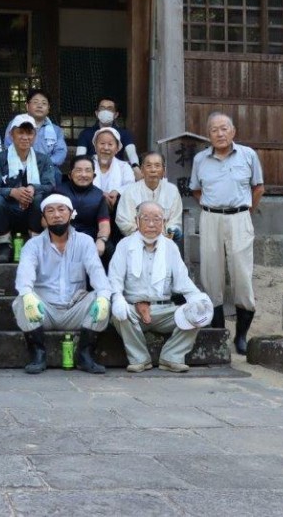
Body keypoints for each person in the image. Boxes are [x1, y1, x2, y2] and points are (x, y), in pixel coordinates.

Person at [189, 111, 265, 354]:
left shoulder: (248, 155)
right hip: (210, 218)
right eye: (214, 129)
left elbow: (258, 187)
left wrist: (245, 210)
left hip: (240, 218)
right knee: (211, 274)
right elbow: (196, 190)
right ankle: (219, 332)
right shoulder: (200, 159)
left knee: (242, 274)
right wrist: (212, 207)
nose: (219, 133)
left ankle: (241, 336)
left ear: (233, 131)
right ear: (208, 134)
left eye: (224, 128)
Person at [108, 201, 213, 373]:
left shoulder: (170, 247)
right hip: (134, 309)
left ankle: (171, 356)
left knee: (197, 314)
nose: (151, 224)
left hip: (164, 310)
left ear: (163, 222)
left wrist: (198, 299)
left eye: (157, 219)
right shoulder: (125, 245)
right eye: (146, 219)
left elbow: (183, 281)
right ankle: (140, 359)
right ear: (137, 220)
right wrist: (118, 299)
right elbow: (114, 279)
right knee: (117, 312)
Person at [12, 194, 112, 374]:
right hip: (43, 311)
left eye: (61, 209)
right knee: (21, 300)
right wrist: (27, 296)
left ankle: (85, 353)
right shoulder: (32, 245)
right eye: (50, 211)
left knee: (102, 296)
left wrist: (104, 296)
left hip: (75, 310)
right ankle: (38, 353)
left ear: (71, 213)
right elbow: (24, 277)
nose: (56, 215)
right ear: (43, 218)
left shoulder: (85, 241)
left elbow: (98, 274)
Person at [0, 114, 55, 263]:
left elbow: (50, 186)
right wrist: (12, 192)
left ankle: (35, 245)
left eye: (29, 133)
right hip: (8, 210)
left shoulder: (43, 159)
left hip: (33, 212)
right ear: (12, 135)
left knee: (39, 198)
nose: (25, 137)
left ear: (35, 136)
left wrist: (32, 188)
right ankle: (5, 245)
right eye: (21, 132)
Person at [115, 152, 184, 246]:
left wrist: (170, 230)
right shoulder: (130, 191)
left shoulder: (172, 190)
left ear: (164, 171)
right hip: (136, 242)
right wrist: (144, 234)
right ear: (142, 170)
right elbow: (123, 220)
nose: (153, 170)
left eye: (157, 166)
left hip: (164, 243)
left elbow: (175, 220)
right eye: (148, 165)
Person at [53, 155, 112, 260]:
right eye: (79, 170)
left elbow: (104, 224)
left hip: (89, 238)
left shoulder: (99, 196)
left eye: (88, 170)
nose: (83, 174)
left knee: (108, 248)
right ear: (70, 175)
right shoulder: (58, 192)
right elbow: (45, 221)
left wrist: (101, 240)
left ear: (94, 175)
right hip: (61, 236)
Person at [3, 89, 67, 184]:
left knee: (56, 176)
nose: (40, 106)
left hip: (47, 166)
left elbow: (61, 152)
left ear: (48, 108)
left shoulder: (56, 130)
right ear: (27, 105)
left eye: (44, 103)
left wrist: (44, 162)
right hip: (19, 164)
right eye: (35, 102)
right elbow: (8, 146)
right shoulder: (14, 124)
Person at [75, 96, 142, 179]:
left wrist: (135, 166)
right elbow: (79, 155)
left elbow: (131, 152)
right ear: (97, 113)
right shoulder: (85, 133)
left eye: (109, 109)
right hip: (92, 171)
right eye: (102, 108)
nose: (105, 111)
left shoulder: (124, 133)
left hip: (117, 172)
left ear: (116, 114)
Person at [92, 127, 135, 213]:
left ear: (117, 149)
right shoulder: (87, 165)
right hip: (91, 208)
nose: (106, 148)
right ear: (95, 147)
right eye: (102, 143)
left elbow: (131, 185)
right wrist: (100, 194)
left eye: (110, 144)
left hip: (116, 209)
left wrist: (117, 191)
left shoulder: (124, 166)